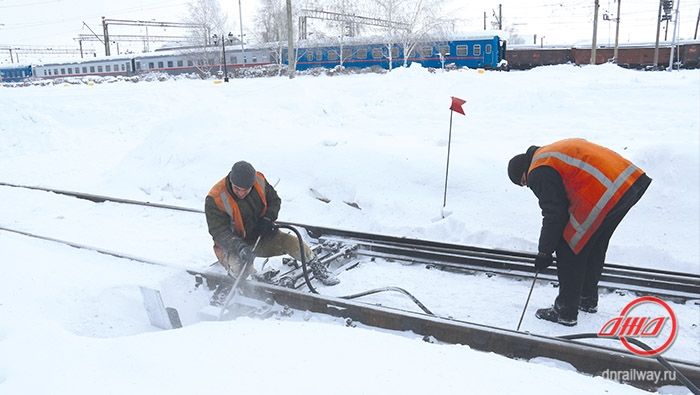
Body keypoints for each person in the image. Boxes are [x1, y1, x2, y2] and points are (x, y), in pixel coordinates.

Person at [507, 138, 651, 326]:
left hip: (605, 190)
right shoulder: (548, 155)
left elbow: (554, 214)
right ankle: (587, 299)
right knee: (593, 243)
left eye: (524, 182)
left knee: (570, 244)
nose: (528, 186)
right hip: (628, 183)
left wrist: (545, 252)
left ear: (524, 172)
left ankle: (565, 311)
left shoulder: (538, 170)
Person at [205, 161, 339, 286]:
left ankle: (316, 265)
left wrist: (268, 219)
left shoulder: (258, 180)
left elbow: (274, 201)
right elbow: (218, 232)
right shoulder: (216, 198)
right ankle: (244, 277)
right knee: (239, 270)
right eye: (237, 189)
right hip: (234, 246)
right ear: (230, 180)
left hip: (261, 237)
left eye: (246, 190)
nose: (241, 193)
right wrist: (240, 247)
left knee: (292, 242)